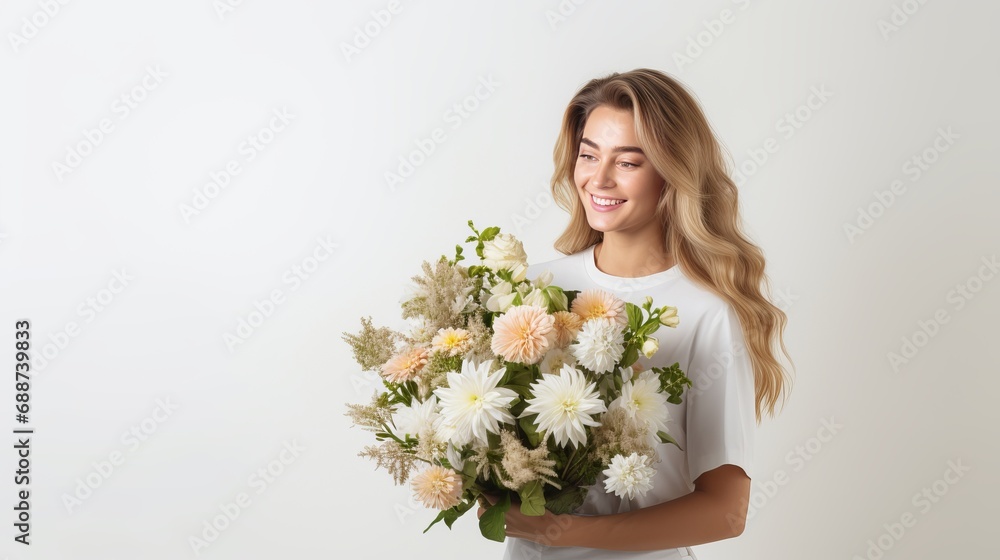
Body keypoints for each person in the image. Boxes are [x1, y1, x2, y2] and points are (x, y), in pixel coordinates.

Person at [479, 68, 794, 559]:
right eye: (588, 155)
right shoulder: (532, 289)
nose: (598, 178)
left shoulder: (704, 313)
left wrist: (564, 532)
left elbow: (726, 512)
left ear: (671, 172)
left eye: (627, 162)